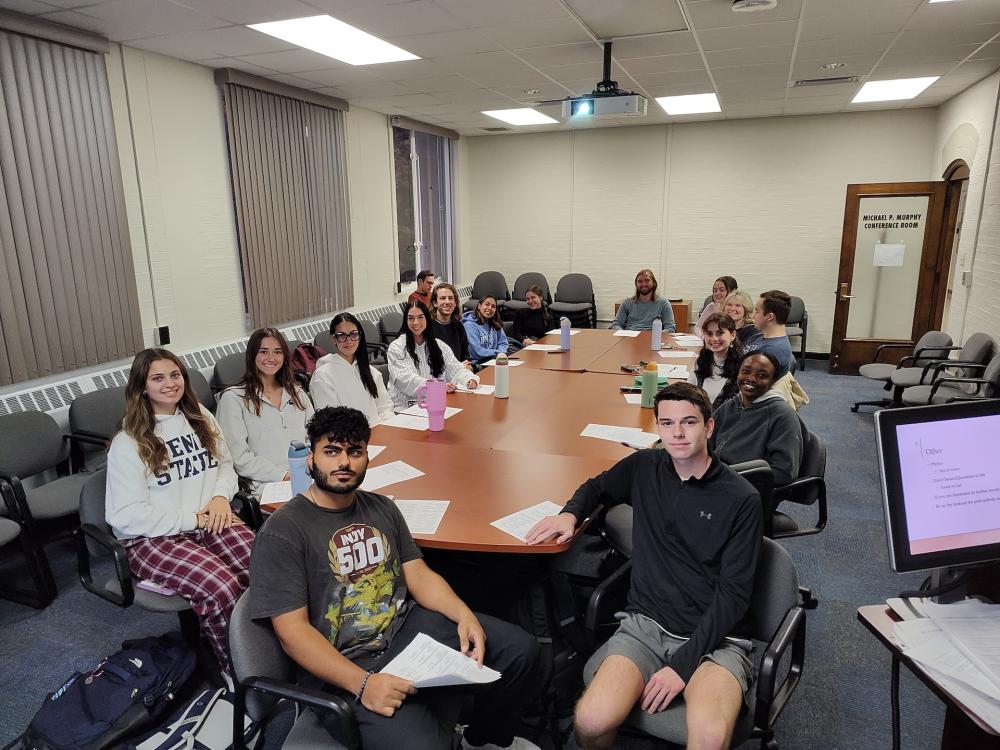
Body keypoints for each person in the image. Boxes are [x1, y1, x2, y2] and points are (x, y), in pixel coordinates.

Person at [247, 406, 542, 750]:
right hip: (348, 660)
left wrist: (463, 614)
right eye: (331, 451)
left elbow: (417, 573)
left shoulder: (382, 507)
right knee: (424, 745)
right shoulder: (283, 531)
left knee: (522, 651)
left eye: (354, 451)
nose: (344, 462)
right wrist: (362, 685)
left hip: (406, 631)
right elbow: (292, 633)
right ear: (311, 459)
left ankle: (480, 741)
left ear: (367, 458)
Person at [525, 383, 762, 750]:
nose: (678, 433)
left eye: (689, 422)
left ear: (709, 428)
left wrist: (681, 667)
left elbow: (733, 599)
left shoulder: (742, 499)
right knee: (589, 721)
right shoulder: (644, 467)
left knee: (710, 739)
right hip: (646, 627)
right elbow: (596, 487)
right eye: (667, 424)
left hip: (716, 639)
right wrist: (571, 514)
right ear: (657, 428)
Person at [106, 348, 254, 674]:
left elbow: (225, 467)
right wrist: (194, 519)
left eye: (175, 375)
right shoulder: (128, 442)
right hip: (152, 538)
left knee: (263, 566)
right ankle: (242, 673)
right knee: (222, 589)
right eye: (158, 378)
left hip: (209, 517)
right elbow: (126, 515)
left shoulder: (199, 415)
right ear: (142, 387)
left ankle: (272, 645)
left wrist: (219, 498)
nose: (170, 384)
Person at [217, 328, 313, 494]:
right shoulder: (233, 398)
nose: (271, 358)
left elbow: (315, 434)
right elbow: (240, 458)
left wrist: (314, 462)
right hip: (267, 486)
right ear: (252, 355)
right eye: (263, 352)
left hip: (308, 476)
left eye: (277, 352)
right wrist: (284, 476)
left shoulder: (296, 392)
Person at [710, 350, 804, 486]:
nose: (751, 378)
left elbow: (784, 472)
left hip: (749, 488)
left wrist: (726, 477)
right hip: (718, 476)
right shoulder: (732, 405)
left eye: (762, 375)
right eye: (746, 371)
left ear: (772, 382)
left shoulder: (782, 416)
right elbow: (707, 441)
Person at [387, 300, 479, 411]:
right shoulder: (397, 347)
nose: (416, 322)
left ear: (427, 319)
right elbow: (407, 381)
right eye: (411, 318)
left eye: (421, 317)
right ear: (405, 321)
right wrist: (437, 388)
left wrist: (469, 379)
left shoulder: (438, 345)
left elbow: (456, 369)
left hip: (434, 404)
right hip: (405, 409)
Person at [311, 312, 394, 426]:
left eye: (353, 334)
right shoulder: (322, 376)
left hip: (380, 433)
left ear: (360, 336)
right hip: (349, 440)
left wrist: (389, 429)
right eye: (342, 336)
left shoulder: (369, 371)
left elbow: (385, 408)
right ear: (333, 339)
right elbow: (331, 422)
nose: (349, 341)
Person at [687, 313, 740, 407]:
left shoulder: (742, 367)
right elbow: (688, 393)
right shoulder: (701, 361)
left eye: (720, 333)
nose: (714, 339)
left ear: (732, 335)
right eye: (709, 334)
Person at [741, 290, 794, 380]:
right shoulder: (757, 337)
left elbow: (751, 384)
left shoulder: (774, 351)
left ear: (770, 317)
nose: (753, 316)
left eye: (757, 311)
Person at [610, 269, 676, 332]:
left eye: (647, 280)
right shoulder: (627, 302)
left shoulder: (663, 303)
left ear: (654, 283)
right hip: (629, 340)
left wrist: (656, 336)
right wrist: (623, 334)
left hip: (652, 340)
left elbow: (670, 328)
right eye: (640, 281)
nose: (643, 284)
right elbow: (616, 324)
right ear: (636, 284)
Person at [429, 282, 472, 366]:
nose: (447, 302)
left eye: (451, 298)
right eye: (442, 298)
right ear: (435, 303)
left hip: (459, 374)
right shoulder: (427, 327)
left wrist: (468, 366)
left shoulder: (458, 326)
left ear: (455, 303)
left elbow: (465, 355)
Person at [462, 295, 510, 364]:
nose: (490, 308)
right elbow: (477, 352)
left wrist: (500, 353)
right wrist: (498, 353)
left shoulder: (495, 324)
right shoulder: (469, 325)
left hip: (495, 359)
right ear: (479, 306)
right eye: (487, 304)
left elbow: (503, 343)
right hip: (478, 363)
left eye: (493, 306)